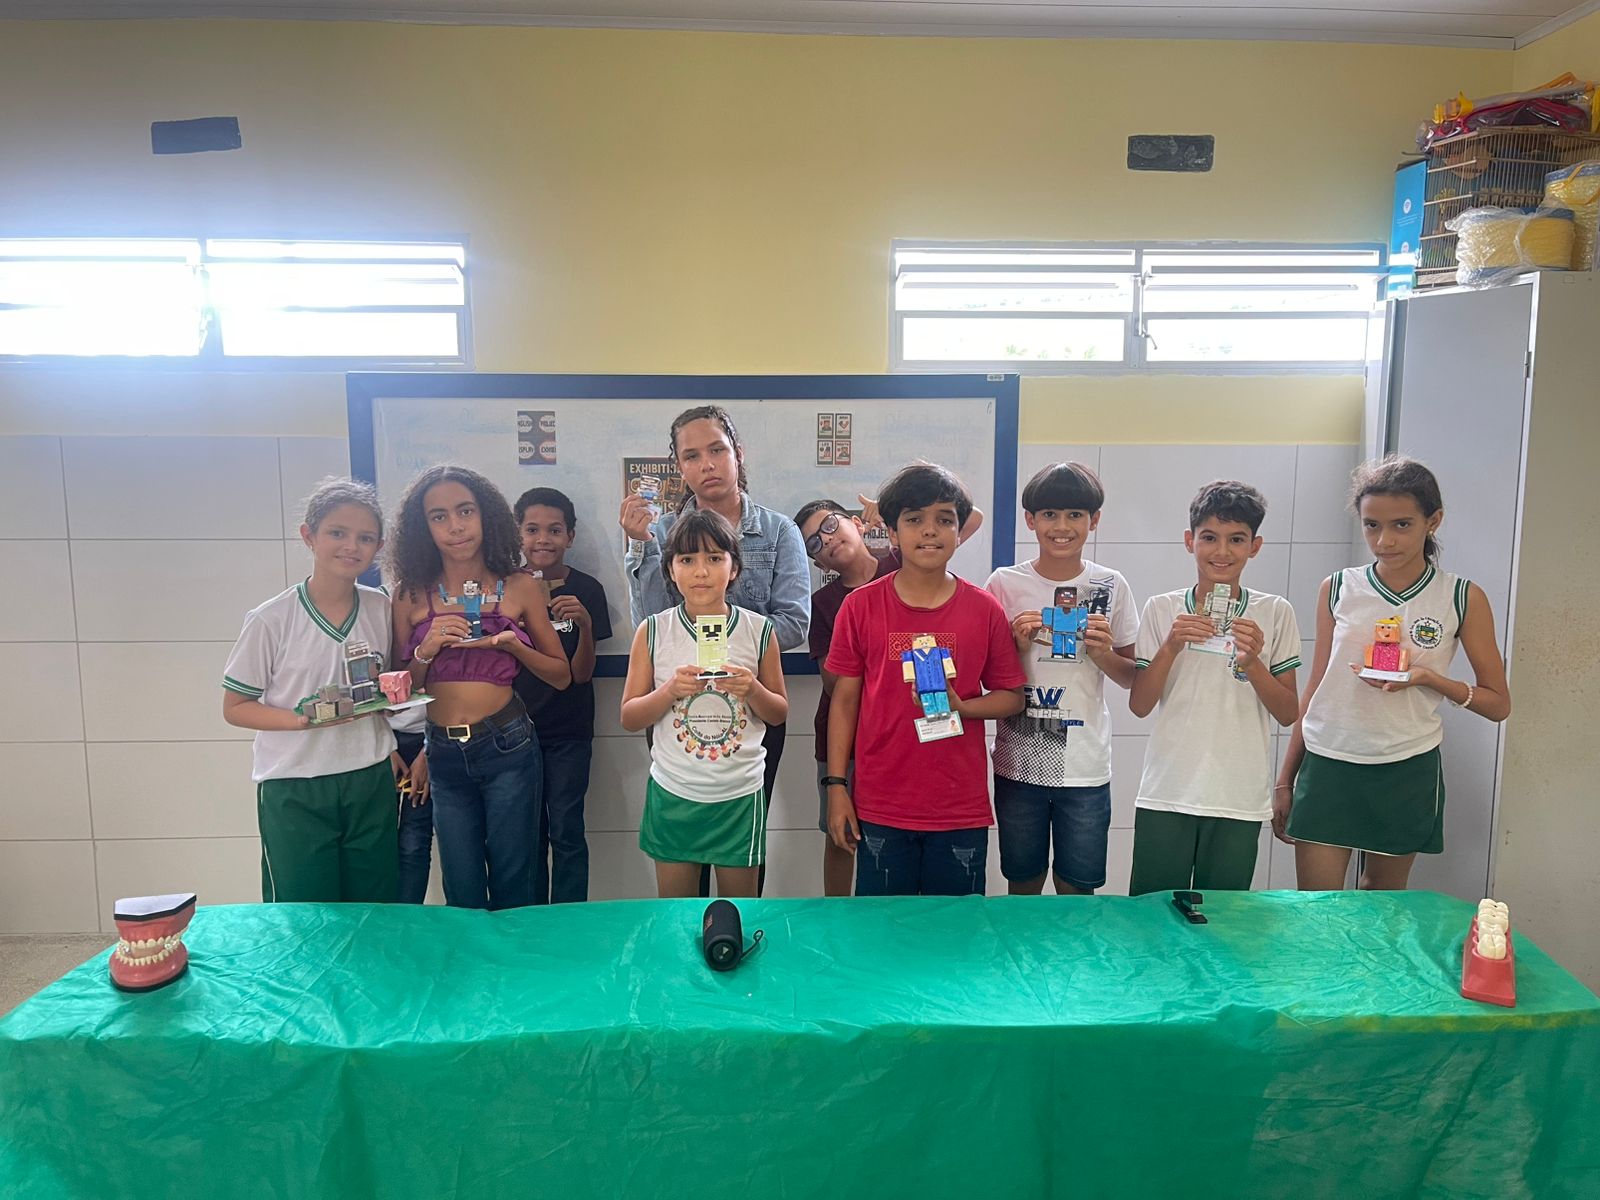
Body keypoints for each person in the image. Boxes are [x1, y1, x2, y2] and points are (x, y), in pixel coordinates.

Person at [1276, 455, 1510, 890]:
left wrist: (1429, 678)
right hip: (1328, 760)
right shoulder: (1338, 588)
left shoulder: (1461, 597)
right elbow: (1316, 688)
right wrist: (1284, 780)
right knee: (1316, 908)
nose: (1384, 540)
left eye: (1402, 524)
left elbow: (1498, 704)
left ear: (1433, 521)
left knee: (1381, 907)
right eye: (1372, 525)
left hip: (1406, 766)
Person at [620, 405, 809, 893]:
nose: (707, 464)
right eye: (691, 456)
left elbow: (794, 623)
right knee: (682, 855)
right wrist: (639, 546)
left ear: (737, 454)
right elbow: (651, 625)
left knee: (740, 850)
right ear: (679, 467)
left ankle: (730, 930)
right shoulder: (660, 532)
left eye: (717, 450)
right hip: (677, 708)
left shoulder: (779, 531)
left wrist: (735, 641)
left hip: (749, 706)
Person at [823, 462, 1025, 896]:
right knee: (883, 928)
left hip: (958, 808)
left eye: (944, 520)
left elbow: (1012, 697)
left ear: (959, 532)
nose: (930, 531)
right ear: (892, 534)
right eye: (914, 520)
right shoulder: (860, 607)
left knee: (954, 931)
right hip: (881, 805)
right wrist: (837, 786)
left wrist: (963, 707)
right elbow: (844, 702)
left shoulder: (984, 610)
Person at [389, 465, 570, 910]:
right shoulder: (409, 595)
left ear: (486, 514)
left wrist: (515, 647)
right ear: (423, 527)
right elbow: (398, 692)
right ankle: (470, 959)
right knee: (461, 888)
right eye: (439, 516)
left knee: (516, 883)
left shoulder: (521, 586)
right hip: (443, 753)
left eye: (465, 511)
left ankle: (517, 958)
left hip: (507, 744)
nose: (455, 526)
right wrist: (426, 650)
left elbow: (560, 674)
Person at [221, 478, 407, 903]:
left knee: (373, 906)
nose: (351, 546)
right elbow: (235, 707)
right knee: (303, 910)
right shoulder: (271, 619)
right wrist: (301, 719)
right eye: (337, 533)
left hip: (368, 778)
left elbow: (385, 687)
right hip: (295, 784)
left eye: (365, 538)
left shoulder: (381, 607)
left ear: (379, 547)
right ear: (309, 536)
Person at [797, 495, 986, 896]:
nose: (826, 540)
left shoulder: (903, 561)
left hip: (915, 730)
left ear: (858, 523)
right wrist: (870, 645)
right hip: (845, 736)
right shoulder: (826, 604)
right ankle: (839, 915)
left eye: (830, 525)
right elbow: (835, 685)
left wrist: (892, 510)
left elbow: (970, 518)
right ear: (818, 563)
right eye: (815, 542)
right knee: (842, 834)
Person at [1127, 481, 1301, 895]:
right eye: (1209, 537)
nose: (1221, 551)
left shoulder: (1275, 612)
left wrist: (1253, 662)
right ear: (1190, 541)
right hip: (1167, 792)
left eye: (1236, 539)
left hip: (1238, 798)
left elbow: (1288, 712)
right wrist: (1171, 645)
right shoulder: (1163, 608)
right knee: (1152, 914)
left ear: (1255, 546)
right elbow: (1140, 704)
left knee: (1223, 919)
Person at [984, 462, 1138, 896]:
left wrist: (1102, 653)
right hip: (1019, 763)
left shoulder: (1110, 584)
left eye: (1075, 515)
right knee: (1023, 884)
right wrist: (1016, 646)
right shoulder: (1003, 584)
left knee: (1077, 891)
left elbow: (1132, 678)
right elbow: (986, 678)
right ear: (1030, 520)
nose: (1062, 527)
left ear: (1094, 520)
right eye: (1049, 514)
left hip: (1085, 769)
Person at [621, 509, 788, 898]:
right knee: (678, 917)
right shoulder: (653, 630)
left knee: (736, 916)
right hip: (674, 792)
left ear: (734, 568)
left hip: (739, 795)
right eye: (687, 559)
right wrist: (669, 691)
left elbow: (779, 712)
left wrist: (752, 689)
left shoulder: (759, 630)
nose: (701, 571)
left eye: (714, 558)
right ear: (671, 569)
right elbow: (629, 716)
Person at [513, 486, 612, 904]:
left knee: (567, 830)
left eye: (555, 530)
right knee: (526, 834)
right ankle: (533, 919)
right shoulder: (507, 590)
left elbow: (582, 675)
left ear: (570, 536)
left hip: (569, 733)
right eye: (532, 529)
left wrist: (585, 626)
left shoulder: (587, 589)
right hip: (512, 734)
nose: (543, 539)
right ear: (518, 534)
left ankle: (571, 920)